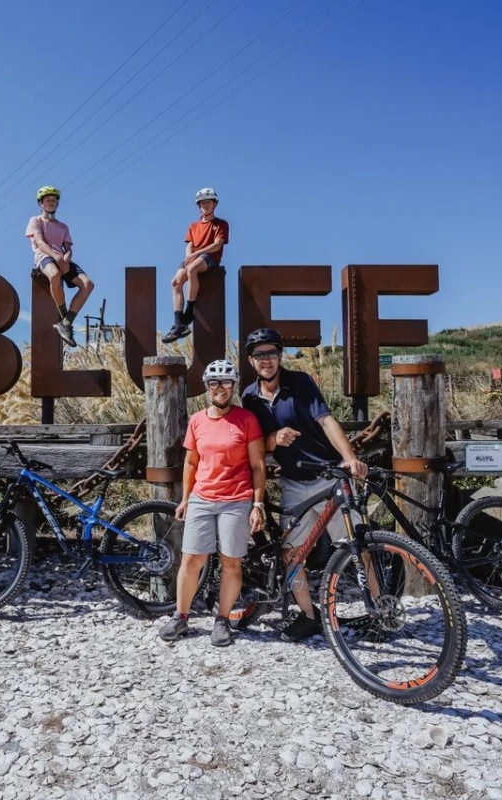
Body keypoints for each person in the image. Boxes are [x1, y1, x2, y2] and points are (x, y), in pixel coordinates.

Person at [239, 327, 369, 642]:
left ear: (280, 355)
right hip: (293, 484)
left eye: (271, 353)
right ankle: (309, 616)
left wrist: (349, 457)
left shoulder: (300, 382)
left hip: (327, 477)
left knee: (360, 548)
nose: (266, 360)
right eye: (259, 355)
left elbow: (326, 420)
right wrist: (273, 438)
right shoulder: (248, 397)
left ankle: (378, 610)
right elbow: (254, 443)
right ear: (251, 361)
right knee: (291, 554)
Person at [159, 359, 266, 647]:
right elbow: (191, 462)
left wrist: (258, 504)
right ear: (207, 387)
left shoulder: (246, 420)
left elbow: (257, 465)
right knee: (192, 559)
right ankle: (181, 616)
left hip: (236, 499)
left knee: (232, 562)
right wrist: (185, 499)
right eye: (215, 383)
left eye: (227, 382)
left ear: (234, 386)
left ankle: (222, 619)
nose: (221, 388)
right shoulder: (197, 421)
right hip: (203, 498)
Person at [26, 185, 94, 347]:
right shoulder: (36, 220)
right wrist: (56, 256)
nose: (51, 202)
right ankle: (63, 315)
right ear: (41, 203)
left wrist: (66, 257)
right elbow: (40, 242)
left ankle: (66, 322)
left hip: (63, 259)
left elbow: (68, 247)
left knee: (88, 285)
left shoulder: (63, 226)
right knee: (55, 275)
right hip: (45, 257)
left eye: (54, 199)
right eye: (48, 199)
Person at [161, 188, 229, 344]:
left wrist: (195, 255)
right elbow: (189, 244)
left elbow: (217, 245)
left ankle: (189, 311)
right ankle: (179, 323)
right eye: (202, 203)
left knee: (192, 269)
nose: (205, 205)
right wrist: (189, 255)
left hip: (209, 257)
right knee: (175, 282)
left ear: (215, 204)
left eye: (208, 202)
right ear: (199, 206)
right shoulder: (193, 226)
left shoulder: (220, 224)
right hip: (193, 257)